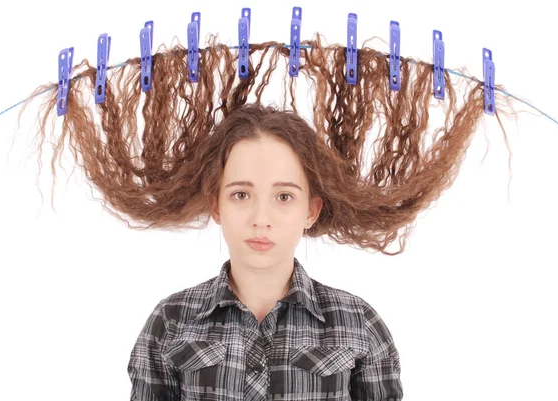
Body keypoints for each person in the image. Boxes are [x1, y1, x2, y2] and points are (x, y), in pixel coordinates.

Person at [127, 103, 404, 400]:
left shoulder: (358, 323)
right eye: (241, 195)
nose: (261, 218)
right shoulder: (170, 321)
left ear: (311, 211)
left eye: (284, 196)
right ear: (216, 205)